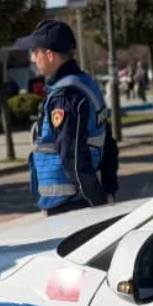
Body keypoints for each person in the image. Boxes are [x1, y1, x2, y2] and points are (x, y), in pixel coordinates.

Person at [25, 19, 119, 216]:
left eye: (35, 52)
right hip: (78, 202)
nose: (33, 59)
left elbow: (73, 155)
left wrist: (97, 203)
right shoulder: (85, 84)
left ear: (49, 55)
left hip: (71, 205)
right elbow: (108, 142)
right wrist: (109, 188)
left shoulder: (65, 96)